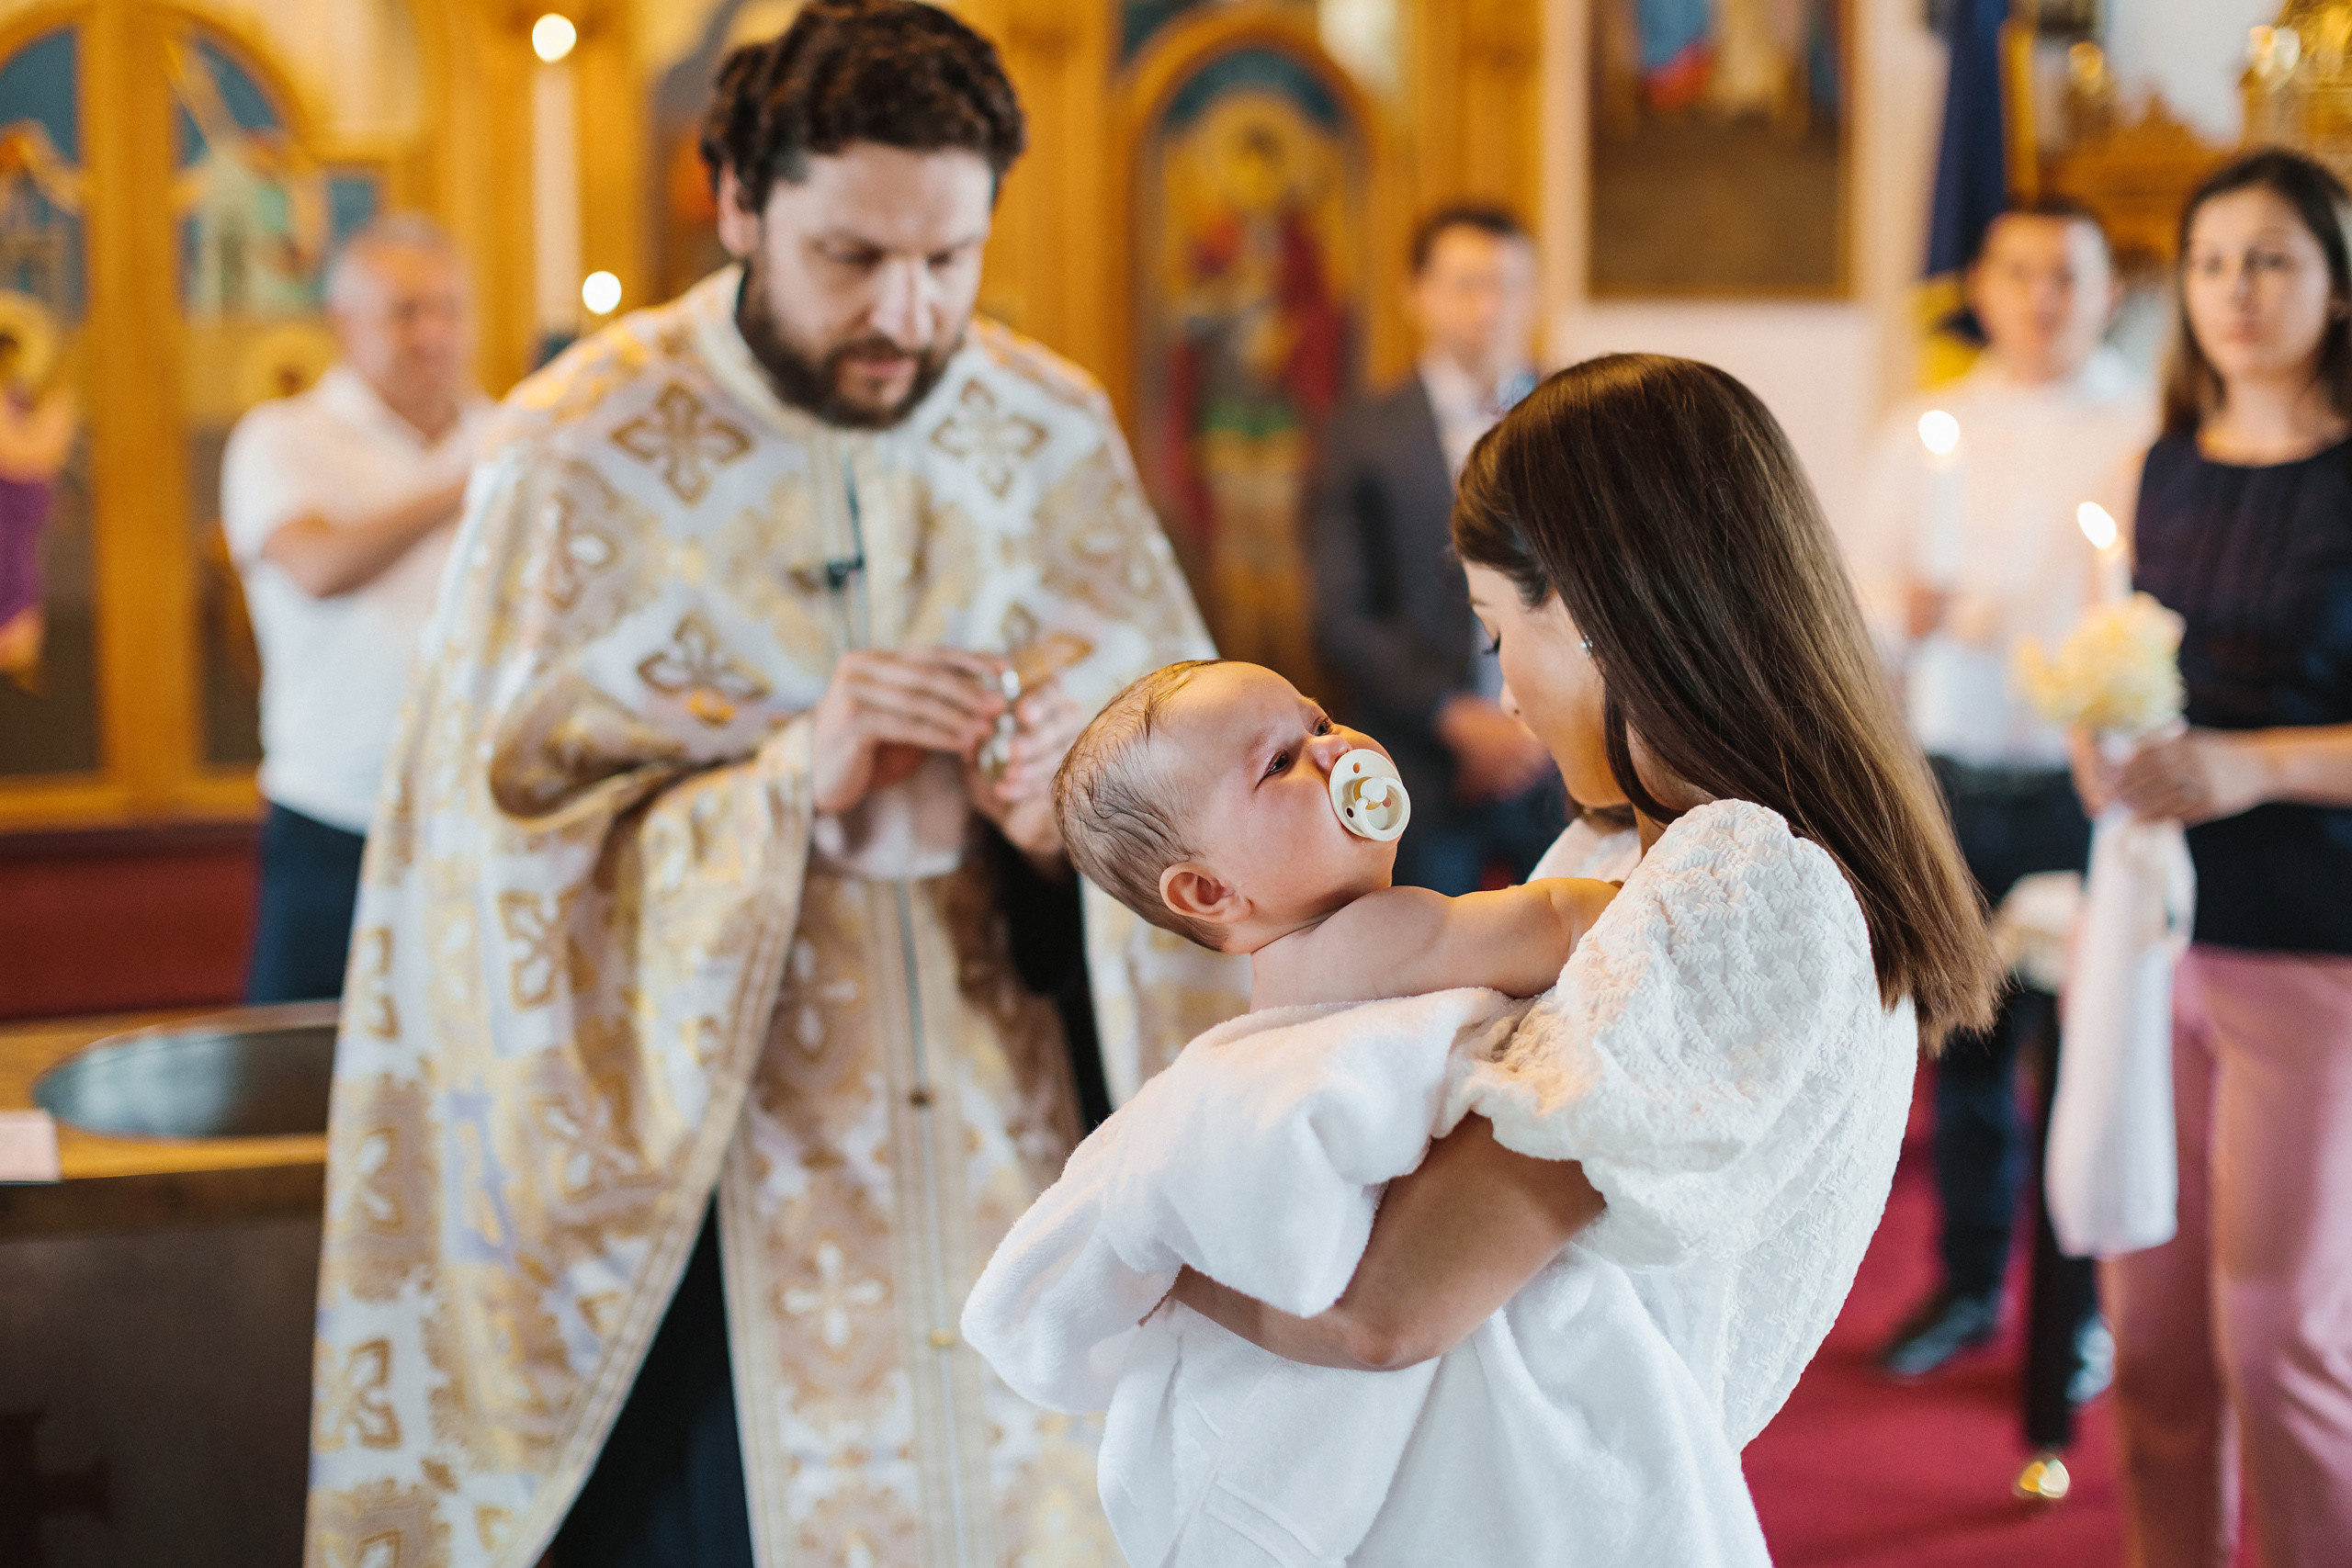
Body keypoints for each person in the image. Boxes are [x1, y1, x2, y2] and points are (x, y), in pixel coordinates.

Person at [300, 7, 1238, 1568]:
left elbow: (1204, 816)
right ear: (736, 202)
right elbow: (483, 874)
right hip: (699, 1208)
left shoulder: (1043, 427)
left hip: (1007, 1140)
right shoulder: (578, 449)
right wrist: (790, 780)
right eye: (852, 256)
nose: (909, 313)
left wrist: (1068, 814)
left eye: (950, 259)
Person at [1159, 354, 2003, 1562]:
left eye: (1501, 635)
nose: (1505, 695)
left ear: (1602, 616)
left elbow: (1381, 1307)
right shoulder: (1625, 846)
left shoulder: (1742, 874)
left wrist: (1145, 1255)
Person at [1843, 197, 2153, 1472]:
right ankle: (1972, 1279)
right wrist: (1903, 609)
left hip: (2089, 788)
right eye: (2019, 271)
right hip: (1959, 777)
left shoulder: (2145, 428)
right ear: (1982, 281)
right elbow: (1856, 611)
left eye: (2067, 273)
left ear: (2106, 290)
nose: (2041, 296)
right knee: (1965, 1041)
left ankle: (2083, 1312)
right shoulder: (1928, 434)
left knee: (2090, 1057)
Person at [2077, 147, 2352, 1568]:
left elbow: (2252, 740)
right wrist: (2104, 740)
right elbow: (2139, 677)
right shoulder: (2161, 466)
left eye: (2273, 259)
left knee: (2280, 1332)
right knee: (2157, 1329)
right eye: (2211, 262)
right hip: (2159, 932)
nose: (2238, 291)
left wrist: (2255, 764)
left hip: (2313, 940)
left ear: (2334, 282)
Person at [220, 214, 492, 1003]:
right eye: (406, 312)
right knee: (307, 1083)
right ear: (342, 322)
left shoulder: (509, 432)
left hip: (481, 818)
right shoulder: (284, 438)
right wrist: (469, 482)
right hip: (336, 822)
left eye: (449, 310)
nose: (433, 333)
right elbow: (316, 566)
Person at [1312, 204, 1559, 896]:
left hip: (1563, 755)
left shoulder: (1578, 419)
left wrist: (1538, 726)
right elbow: (1343, 616)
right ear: (1417, 294)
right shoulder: (1361, 434)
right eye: (1468, 284)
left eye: (1510, 285)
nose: (1491, 307)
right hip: (1420, 762)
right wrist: (1459, 721)